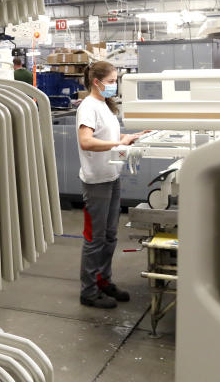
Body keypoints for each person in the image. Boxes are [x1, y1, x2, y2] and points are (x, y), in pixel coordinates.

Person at [75, 61, 145, 309]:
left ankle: (103, 281)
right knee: (95, 239)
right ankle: (89, 291)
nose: (114, 85)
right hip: (96, 182)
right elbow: (86, 141)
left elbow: (108, 140)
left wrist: (125, 139)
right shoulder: (88, 107)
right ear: (97, 82)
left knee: (110, 236)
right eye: (112, 81)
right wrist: (117, 145)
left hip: (112, 176)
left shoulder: (105, 106)